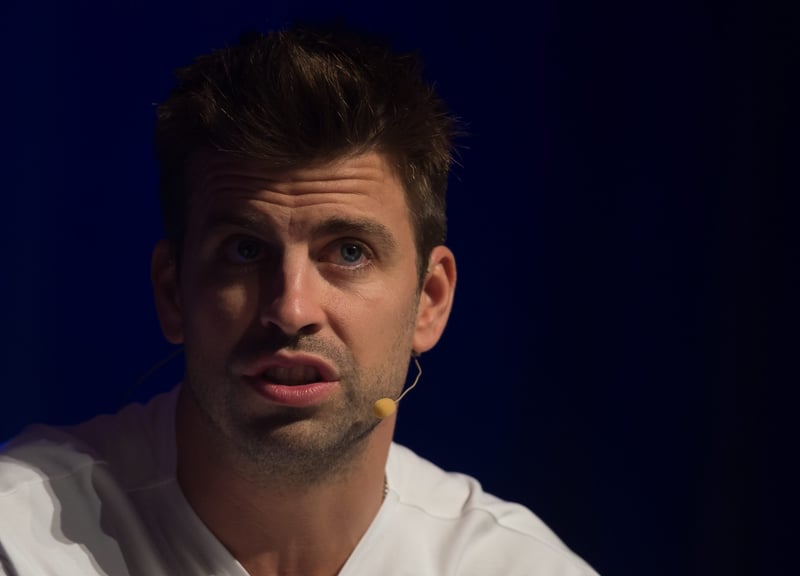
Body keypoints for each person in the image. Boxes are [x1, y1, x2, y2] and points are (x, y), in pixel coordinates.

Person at [0, 21, 599, 576]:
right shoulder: (20, 543)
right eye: (244, 250)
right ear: (172, 291)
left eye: (349, 252)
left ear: (430, 299)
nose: (290, 310)